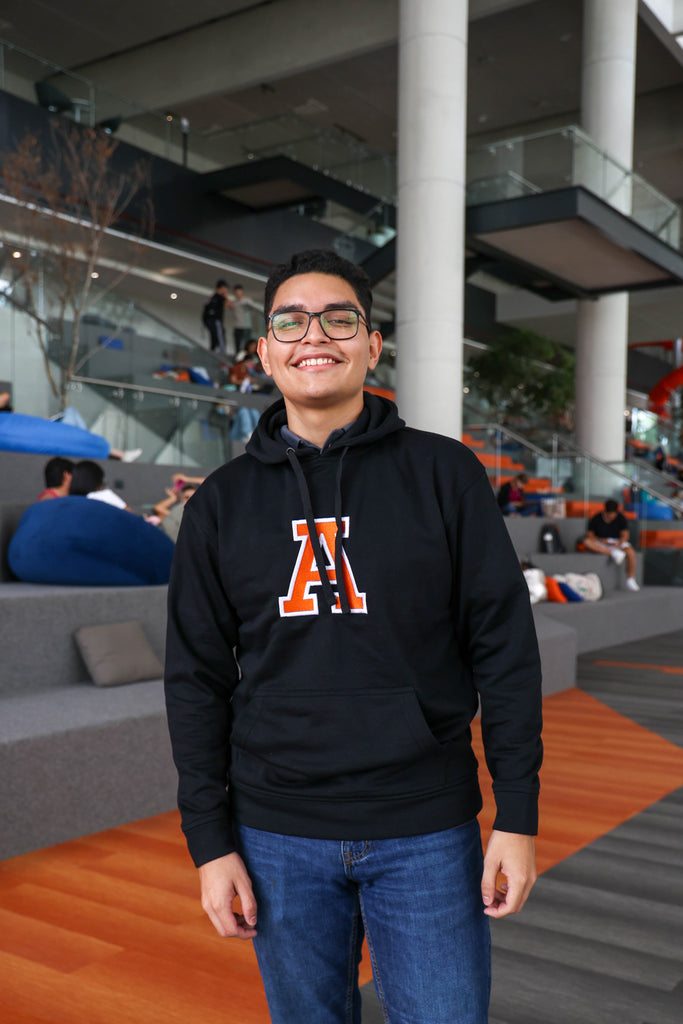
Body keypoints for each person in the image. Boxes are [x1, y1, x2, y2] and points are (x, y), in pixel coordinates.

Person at [164, 249, 543, 1024]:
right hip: (274, 829)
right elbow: (195, 678)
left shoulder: (445, 474)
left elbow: (503, 649)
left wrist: (517, 813)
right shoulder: (219, 505)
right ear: (263, 350)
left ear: (371, 345)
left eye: (338, 319)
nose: (314, 335)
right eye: (290, 322)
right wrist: (209, 840)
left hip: (424, 823)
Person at [583, 498, 640, 591]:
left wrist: (619, 542)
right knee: (587, 542)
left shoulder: (621, 518)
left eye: (613, 515)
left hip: (616, 542)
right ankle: (612, 553)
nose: (611, 517)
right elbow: (590, 535)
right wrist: (601, 540)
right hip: (601, 542)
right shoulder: (596, 518)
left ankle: (630, 578)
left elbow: (625, 535)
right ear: (605, 512)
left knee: (630, 552)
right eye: (609, 515)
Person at [202, 279, 232, 355]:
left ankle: (213, 351)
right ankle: (221, 353)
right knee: (219, 337)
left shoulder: (213, 297)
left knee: (214, 338)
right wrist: (225, 296)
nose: (226, 290)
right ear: (222, 288)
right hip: (216, 321)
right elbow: (230, 305)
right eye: (225, 288)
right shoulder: (219, 297)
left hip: (211, 321)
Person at [231, 283, 261, 355]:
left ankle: (246, 357)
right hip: (238, 326)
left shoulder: (247, 301)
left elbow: (254, 312)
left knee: (246, 345)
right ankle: (238, 357)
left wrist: (255, 325)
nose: (238, 294)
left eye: (239, 292)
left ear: (242, 292)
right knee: (237, 345)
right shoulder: (234, 303)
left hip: (246, 326)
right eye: (236, 293)